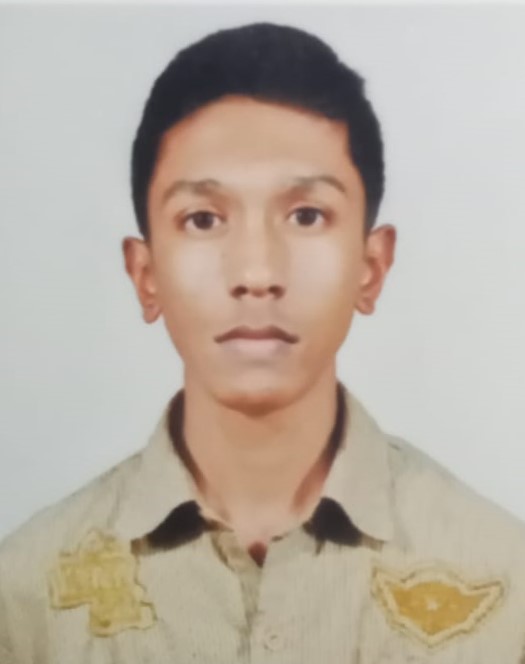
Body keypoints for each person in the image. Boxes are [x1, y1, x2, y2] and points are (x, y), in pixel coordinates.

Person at [1, 21, 525, 664]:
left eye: (306, 215)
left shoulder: (506, 583)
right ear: (146, 274)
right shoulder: (23, 600)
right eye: (203, 219)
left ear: (371, 267)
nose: (256, 272)